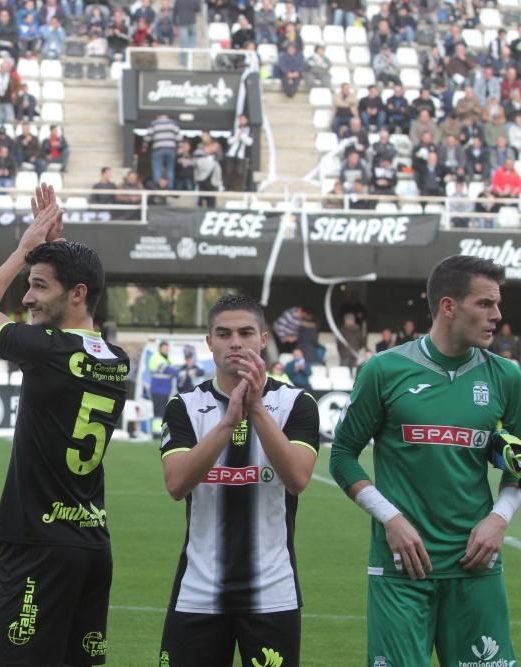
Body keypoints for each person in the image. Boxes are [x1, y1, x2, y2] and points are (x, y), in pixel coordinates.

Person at [0, 184, 128, 667]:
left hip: (39, 546)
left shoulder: (46, 350)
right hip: (92, 544)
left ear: (77, 294)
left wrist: (24, 252)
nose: (28, 297)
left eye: (39, 286)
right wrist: (57, 255)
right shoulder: (116, 359)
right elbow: (73, 307)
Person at [329, 255, 520, 667]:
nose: (497, 316)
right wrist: (390, 519)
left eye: (497, 304)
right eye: (484, 304)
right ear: (449, 306)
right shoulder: (384, 370)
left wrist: (499, 518)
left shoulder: (507, 376)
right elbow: (342, 455)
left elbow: (518, 464)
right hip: (402, 571)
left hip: (476, 566)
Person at [157, 295, 319, 667]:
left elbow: (297, 478)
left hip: (272, 596)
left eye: (246, 332)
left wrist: (256, 409)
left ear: (263, 339)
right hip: (197, 593)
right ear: (209, 342)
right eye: (224, 333)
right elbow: (176, 484)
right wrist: (228, 423)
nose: (235, 342)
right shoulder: (184, 406)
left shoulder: (296, 403)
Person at [149, 340, 177, 436]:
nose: (166, 350)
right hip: (158, 389)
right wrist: (175, 372)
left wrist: (172, 372)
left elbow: (171, 372)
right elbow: (166, 369)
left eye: (167, 348)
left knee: (162, 412)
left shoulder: (166, 359)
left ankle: (160, 432)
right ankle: (156, 433)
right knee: (159, 412)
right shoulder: (156, 357)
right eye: (164, 348)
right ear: (160, 348)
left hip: (164, 390)